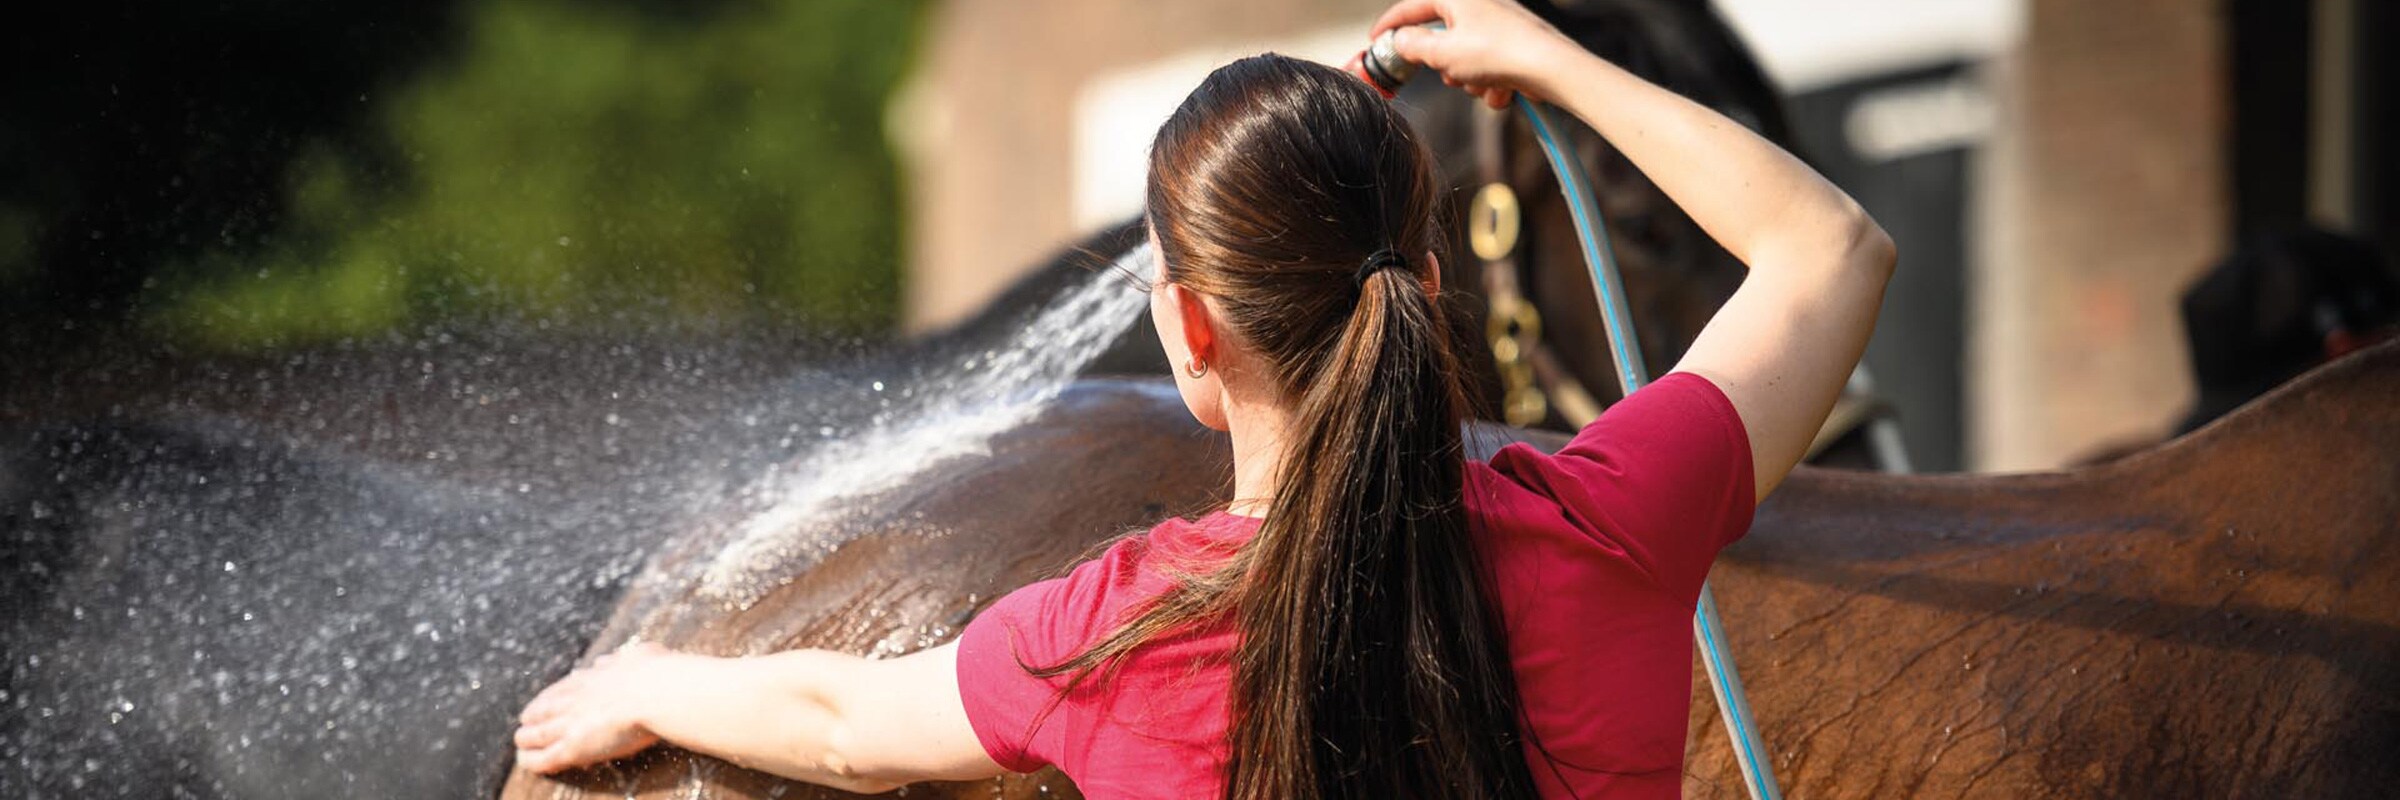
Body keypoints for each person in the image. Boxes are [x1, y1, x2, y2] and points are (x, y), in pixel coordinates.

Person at [509, 0, 1894, 796]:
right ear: (1420, 278)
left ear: (1185, 330)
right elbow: (1832, 247)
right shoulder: (1618, 523)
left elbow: (842, 728)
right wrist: (1550, 58)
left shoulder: (1107, 636)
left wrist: (656, 683)